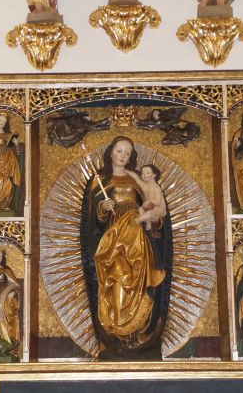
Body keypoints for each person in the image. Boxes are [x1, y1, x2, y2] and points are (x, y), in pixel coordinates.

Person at [79, 136, 172, 358]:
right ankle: (117, 334)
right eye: (120, 151)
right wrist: (102, 208)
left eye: (128, 153)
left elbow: (155, 206)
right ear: (111, 152)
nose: (123, 156)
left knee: (139, 276)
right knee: (117, 278)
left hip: (138, 236)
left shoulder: (136, 179)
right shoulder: (99, 180)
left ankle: (138, 332)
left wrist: (155, 218)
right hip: (113, 239)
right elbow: (90, 220)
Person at [124, 165, 166, 231]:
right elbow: (136, 177)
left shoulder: (156, 188)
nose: (144, 175)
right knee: (140, 209)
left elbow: (158, 201)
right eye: (143, 173)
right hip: (148, 207)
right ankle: (147, 222)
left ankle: (138, 220)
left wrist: (149, 202)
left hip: (159, 208)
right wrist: (126, 171)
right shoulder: (143, 185)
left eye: (147, 173)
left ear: (154, 175)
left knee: (150, 213)